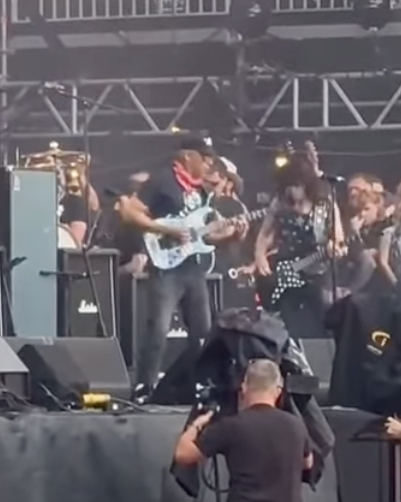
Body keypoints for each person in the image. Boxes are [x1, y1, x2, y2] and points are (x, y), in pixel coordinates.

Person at [120, 138, 244, 400]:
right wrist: (166, 229)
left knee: (203, 331)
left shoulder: (202, 191)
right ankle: (144, 386)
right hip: (166, 266)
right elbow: (130, 212)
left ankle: (200, 385)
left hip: (193, 268)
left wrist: (232, 235)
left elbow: (202, 236)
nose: (209, 164)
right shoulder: (162, 180)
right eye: (205, 159)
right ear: (189, 156)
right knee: (158, 328)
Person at [173, 359, 313, 502]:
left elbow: (183, 454)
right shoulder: (297, 425)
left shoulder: (231, 426)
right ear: (278, 391)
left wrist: (197, 424)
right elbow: (307, 463)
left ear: (244, 387)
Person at [254, 152, 345, 338]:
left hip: (317, 270)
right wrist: (260, 256)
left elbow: (339, 238)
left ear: (306, 184)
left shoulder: (325, 203)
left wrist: (335, 248)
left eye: (295, 186)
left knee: (320, 318)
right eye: (287, 186)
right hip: (286, 268)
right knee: (287, 320)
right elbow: (265, 233)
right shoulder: (280, 202)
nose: (290, 191)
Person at [58, 162, 100, 246]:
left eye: (74, 189)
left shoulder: (76, 203)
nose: (71, 192)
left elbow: (74, 241)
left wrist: (81, 175)